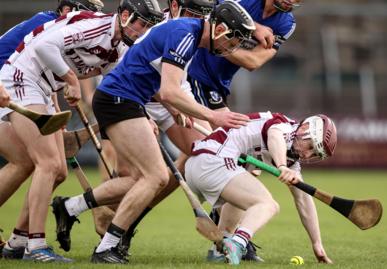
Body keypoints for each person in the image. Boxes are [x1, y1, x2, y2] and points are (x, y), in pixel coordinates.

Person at [51, 1, 255, 264]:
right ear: (220, 30)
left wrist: (173, 107)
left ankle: (69, 207)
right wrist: (213, 115)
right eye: (233, 39)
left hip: (125, 99)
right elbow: (169, 89)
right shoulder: (186, 35)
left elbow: (156, 76)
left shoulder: (188, 35)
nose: (232, 48)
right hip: (120, 99)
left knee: (137, 179)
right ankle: (107, 247)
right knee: (156, 176)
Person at [0, 0, 163, 262]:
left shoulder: (120, 47)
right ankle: (36, 246)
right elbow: (43, 46)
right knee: (48, 163)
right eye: (140, 23)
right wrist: (71, 79)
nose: (142, 31)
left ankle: (17, 241)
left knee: (59, 172)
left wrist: (143, 116)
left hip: (43, 87)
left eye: (148, 27)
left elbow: (115, 86)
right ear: (124, 15)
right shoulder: (96, 27)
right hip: (22, 77)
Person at [185, 0, 302, 261]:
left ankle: (230, 234)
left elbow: (252, 61)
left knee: (202, 160)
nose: (292, 2)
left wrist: (219, 41)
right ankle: (232, 236)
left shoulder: (286, 23)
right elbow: (208, 14)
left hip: (218, 87)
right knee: (236, 162)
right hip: (194, 77)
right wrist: (252, 28)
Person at [0, 0, 104, 260]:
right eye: (87, 12)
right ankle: (29, 244)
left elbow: (43, 78)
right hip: (6, 88)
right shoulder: (44, 24)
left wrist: (57, 117)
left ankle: (17, 241)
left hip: (21, 90)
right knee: (29, 162)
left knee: (51, 169)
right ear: (68, 10)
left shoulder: (62, 30)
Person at [185, 112, 336, 265]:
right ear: (304, 128)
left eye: (313, 154)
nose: (307, 154)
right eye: (310, 146)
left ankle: (220, 248)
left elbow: (303, 199)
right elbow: (274, 135)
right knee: (267, 205)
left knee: (244, 197)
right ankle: (237, 244)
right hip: (212, 161)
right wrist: (281, 165)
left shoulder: (292, 160)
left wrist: (317, 243)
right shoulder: (284, 126)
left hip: (199, 166)